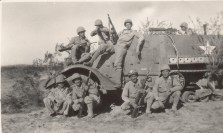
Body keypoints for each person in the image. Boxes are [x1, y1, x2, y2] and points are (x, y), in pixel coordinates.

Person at [85, 19, 144, 88]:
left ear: (131, 25)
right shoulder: (122, 31)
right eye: (126, 24)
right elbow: (114, 37)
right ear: (125, 25)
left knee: (117, 63)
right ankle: (91, 61)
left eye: (129, 24)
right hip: (116, 46)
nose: (128, 25)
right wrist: (112, 32)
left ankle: (118, 83)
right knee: (102, 47)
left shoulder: (134, 32)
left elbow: (141, 37)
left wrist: (138, 47)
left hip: (123, 47)